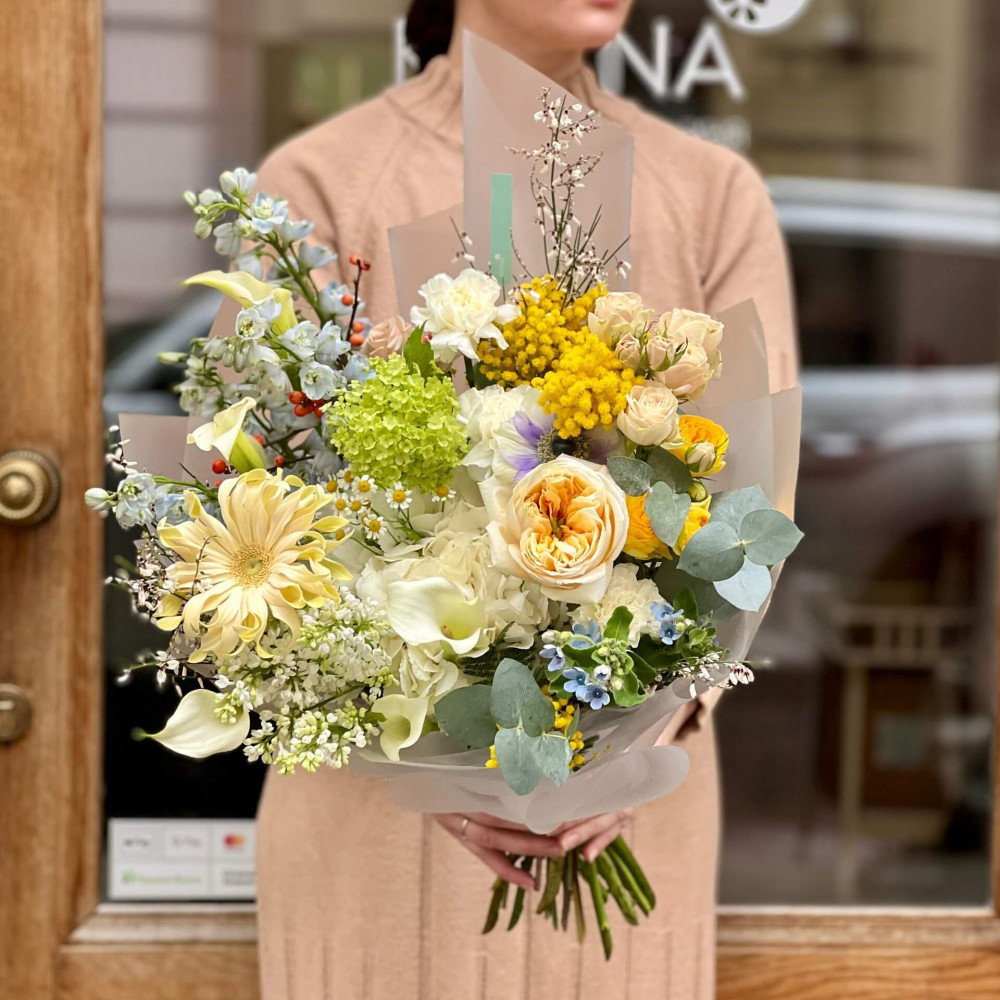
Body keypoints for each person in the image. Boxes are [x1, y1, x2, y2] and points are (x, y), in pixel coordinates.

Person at [250, 1, 798, 997]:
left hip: (628, 813)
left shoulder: (710, 191)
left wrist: (636, 742)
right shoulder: (321, 183)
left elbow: (751, 511)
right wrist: (436, 768)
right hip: (376, 831)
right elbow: (259, 515)